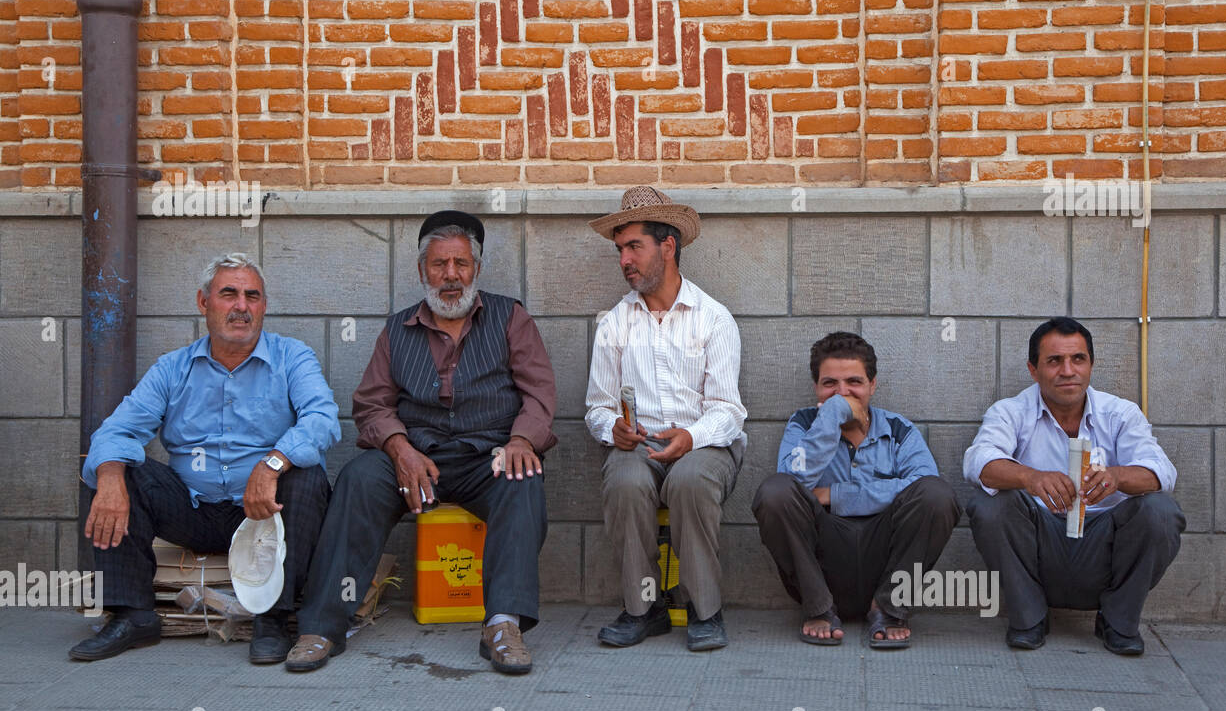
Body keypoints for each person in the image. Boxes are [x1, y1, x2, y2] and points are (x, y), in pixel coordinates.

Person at [288, 211, 556, 675]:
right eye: (439, 265)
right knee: (357, 479)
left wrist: (519, 440)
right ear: (421, 271)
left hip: (485, 456)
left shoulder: (510, 317)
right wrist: (400, 449)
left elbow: (539, 393)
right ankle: (321, 626)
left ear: (476, 269)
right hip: (413, 457)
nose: (451, 275)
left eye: (461, 264)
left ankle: (503, 624)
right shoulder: (397, 331)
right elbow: (371, 406)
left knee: (522, 477)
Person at [74, 253, 339, 664]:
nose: (241, 306)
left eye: (252, 296)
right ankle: (133, 615)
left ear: (264, 306)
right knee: (117, 471)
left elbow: (322, 419)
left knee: (306, 477)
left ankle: (273, 618)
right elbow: (117, 430)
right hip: (192, 509)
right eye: (228, 294)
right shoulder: (173, 368)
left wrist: (272, 463)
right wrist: (108, 478)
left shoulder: (292, 357)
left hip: (265, 513)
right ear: (203, 303)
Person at [585, 186, 746, 652]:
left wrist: (692, 437)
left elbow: (728, 411)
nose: (624, 260)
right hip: (638, 445)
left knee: (690, 482)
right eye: (620, 249)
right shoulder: (615, 323)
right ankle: (645, 609)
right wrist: (610, 427)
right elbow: (598, 405)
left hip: (706, 444)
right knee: (626, 481)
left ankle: (705, 609)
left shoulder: (713, 319)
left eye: (634, 246)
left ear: (668, 246)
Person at [963, 316, 1184, 656]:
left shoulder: (1120, 413)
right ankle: (1028, 617)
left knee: (1161, 511)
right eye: (1054, 361)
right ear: (1033, 370)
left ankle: (1117, 621)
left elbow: (1162, 473)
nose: (1068, 370)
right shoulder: (1010, 411)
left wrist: (1118, 476)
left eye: (1077, 359)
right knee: (988, 504)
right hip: (1041, 541)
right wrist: (1030, 477)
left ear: (1091, 365)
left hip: (1103, 543)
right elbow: (978, 462)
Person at [752, 332, 958, 648]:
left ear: (873, 385)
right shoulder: (804, 423)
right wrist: (832, 416)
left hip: (886, 560)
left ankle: (888, 609)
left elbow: (923, 486)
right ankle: (819, 608)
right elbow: (792, 483)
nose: (842, 393)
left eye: (854, 382)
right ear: (816, 388)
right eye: (829, 384)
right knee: (775, 492)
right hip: (823, 562)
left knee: (937, 495)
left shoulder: (898, 429)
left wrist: (835, 495)